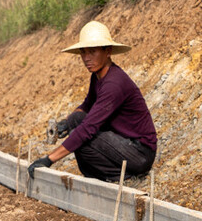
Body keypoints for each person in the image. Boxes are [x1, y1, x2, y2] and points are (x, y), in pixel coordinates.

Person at [28, 21, 157, 182]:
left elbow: (88, 128)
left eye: (92, 52)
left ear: (108, 51)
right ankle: (103, 175)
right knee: (75, 121)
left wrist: (48, 160)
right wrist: (66, 123)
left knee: (80, 136)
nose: (86, 58)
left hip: (139, 153)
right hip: (121, 142)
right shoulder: (97, 76)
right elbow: (86, 106)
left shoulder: (114, 84)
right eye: (83, 53)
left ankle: (122, 178)